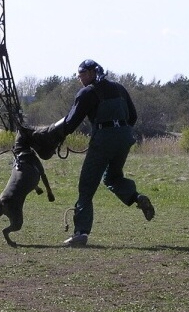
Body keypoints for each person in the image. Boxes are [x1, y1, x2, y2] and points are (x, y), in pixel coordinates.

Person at [32, 59, 155, 246]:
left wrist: (50, 135)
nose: (79, 78)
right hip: (124, 138)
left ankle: (81, 232)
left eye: (81, 75)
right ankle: (136, 198)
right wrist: (118, 133)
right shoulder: (119, 88)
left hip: (104, 139)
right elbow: (133, 116)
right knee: (112, 178)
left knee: (86, 187)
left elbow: (71, 123)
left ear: (90, 73)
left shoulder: (87, 93)